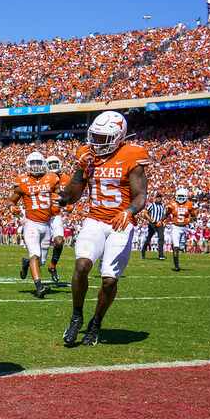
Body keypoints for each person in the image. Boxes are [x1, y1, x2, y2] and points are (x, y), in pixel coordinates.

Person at [59, 111, 150, 346]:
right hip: (95, 219)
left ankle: (96, 322)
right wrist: (75, 179)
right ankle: (76, 315)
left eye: (103, 137)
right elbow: (73, 195)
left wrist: (129, 211)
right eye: (95, 136)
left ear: (119, 136)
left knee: (109, 280)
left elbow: (141, 196)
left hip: (120, 222)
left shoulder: (132, 155)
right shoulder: (87, 155)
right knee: (81, 265)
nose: (97, 142)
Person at [9, 151, 59, 298]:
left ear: (43, 163)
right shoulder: (22, 180)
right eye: (33, 163)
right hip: (31, 224)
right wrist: (12, 207)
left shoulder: (52, 178)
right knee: (35, 255)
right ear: (28, 164)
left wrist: (62, 202)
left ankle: (26, 263)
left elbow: (59, 196)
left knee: (41, 261)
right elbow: (11, 200)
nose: (36, 166)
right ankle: (39, 287)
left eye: (38, 162)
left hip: (46, 224)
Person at [46, 155, 71, 282]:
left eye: (55, 163)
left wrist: (69, 203)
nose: (53, 166)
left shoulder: (66, 178)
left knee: (60, 241)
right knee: (39, 255)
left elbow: (69, 196)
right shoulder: (42, 178)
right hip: (41, 216)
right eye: (51, 164)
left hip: (55, 215)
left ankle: (53, 266)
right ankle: (28, 262)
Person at [165, 187, 196, 272]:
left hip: (185, 228)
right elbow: (167, 214)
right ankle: (176, 266)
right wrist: (161, 220)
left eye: (182, 196)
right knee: (176, 247)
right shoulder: (172, 204)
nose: (181, 198)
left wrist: (190, 220)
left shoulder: (189, 204)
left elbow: (194, 216)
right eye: (179, 196)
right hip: (175, 227)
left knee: (181, 247)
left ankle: (177, 252)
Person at [141, 194, 166, 260]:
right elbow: (145, 212)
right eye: (158, 198)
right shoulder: (152, 205)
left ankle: (161, 255)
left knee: (161, 237)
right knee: (149, 238)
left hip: (159, 223)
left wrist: (161, 220)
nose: (159, 199)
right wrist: (150, 219)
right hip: (152, 223)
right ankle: (143, 251)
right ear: (155, 198)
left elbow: (164, 214)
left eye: (160, 198)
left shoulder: (162, 206)